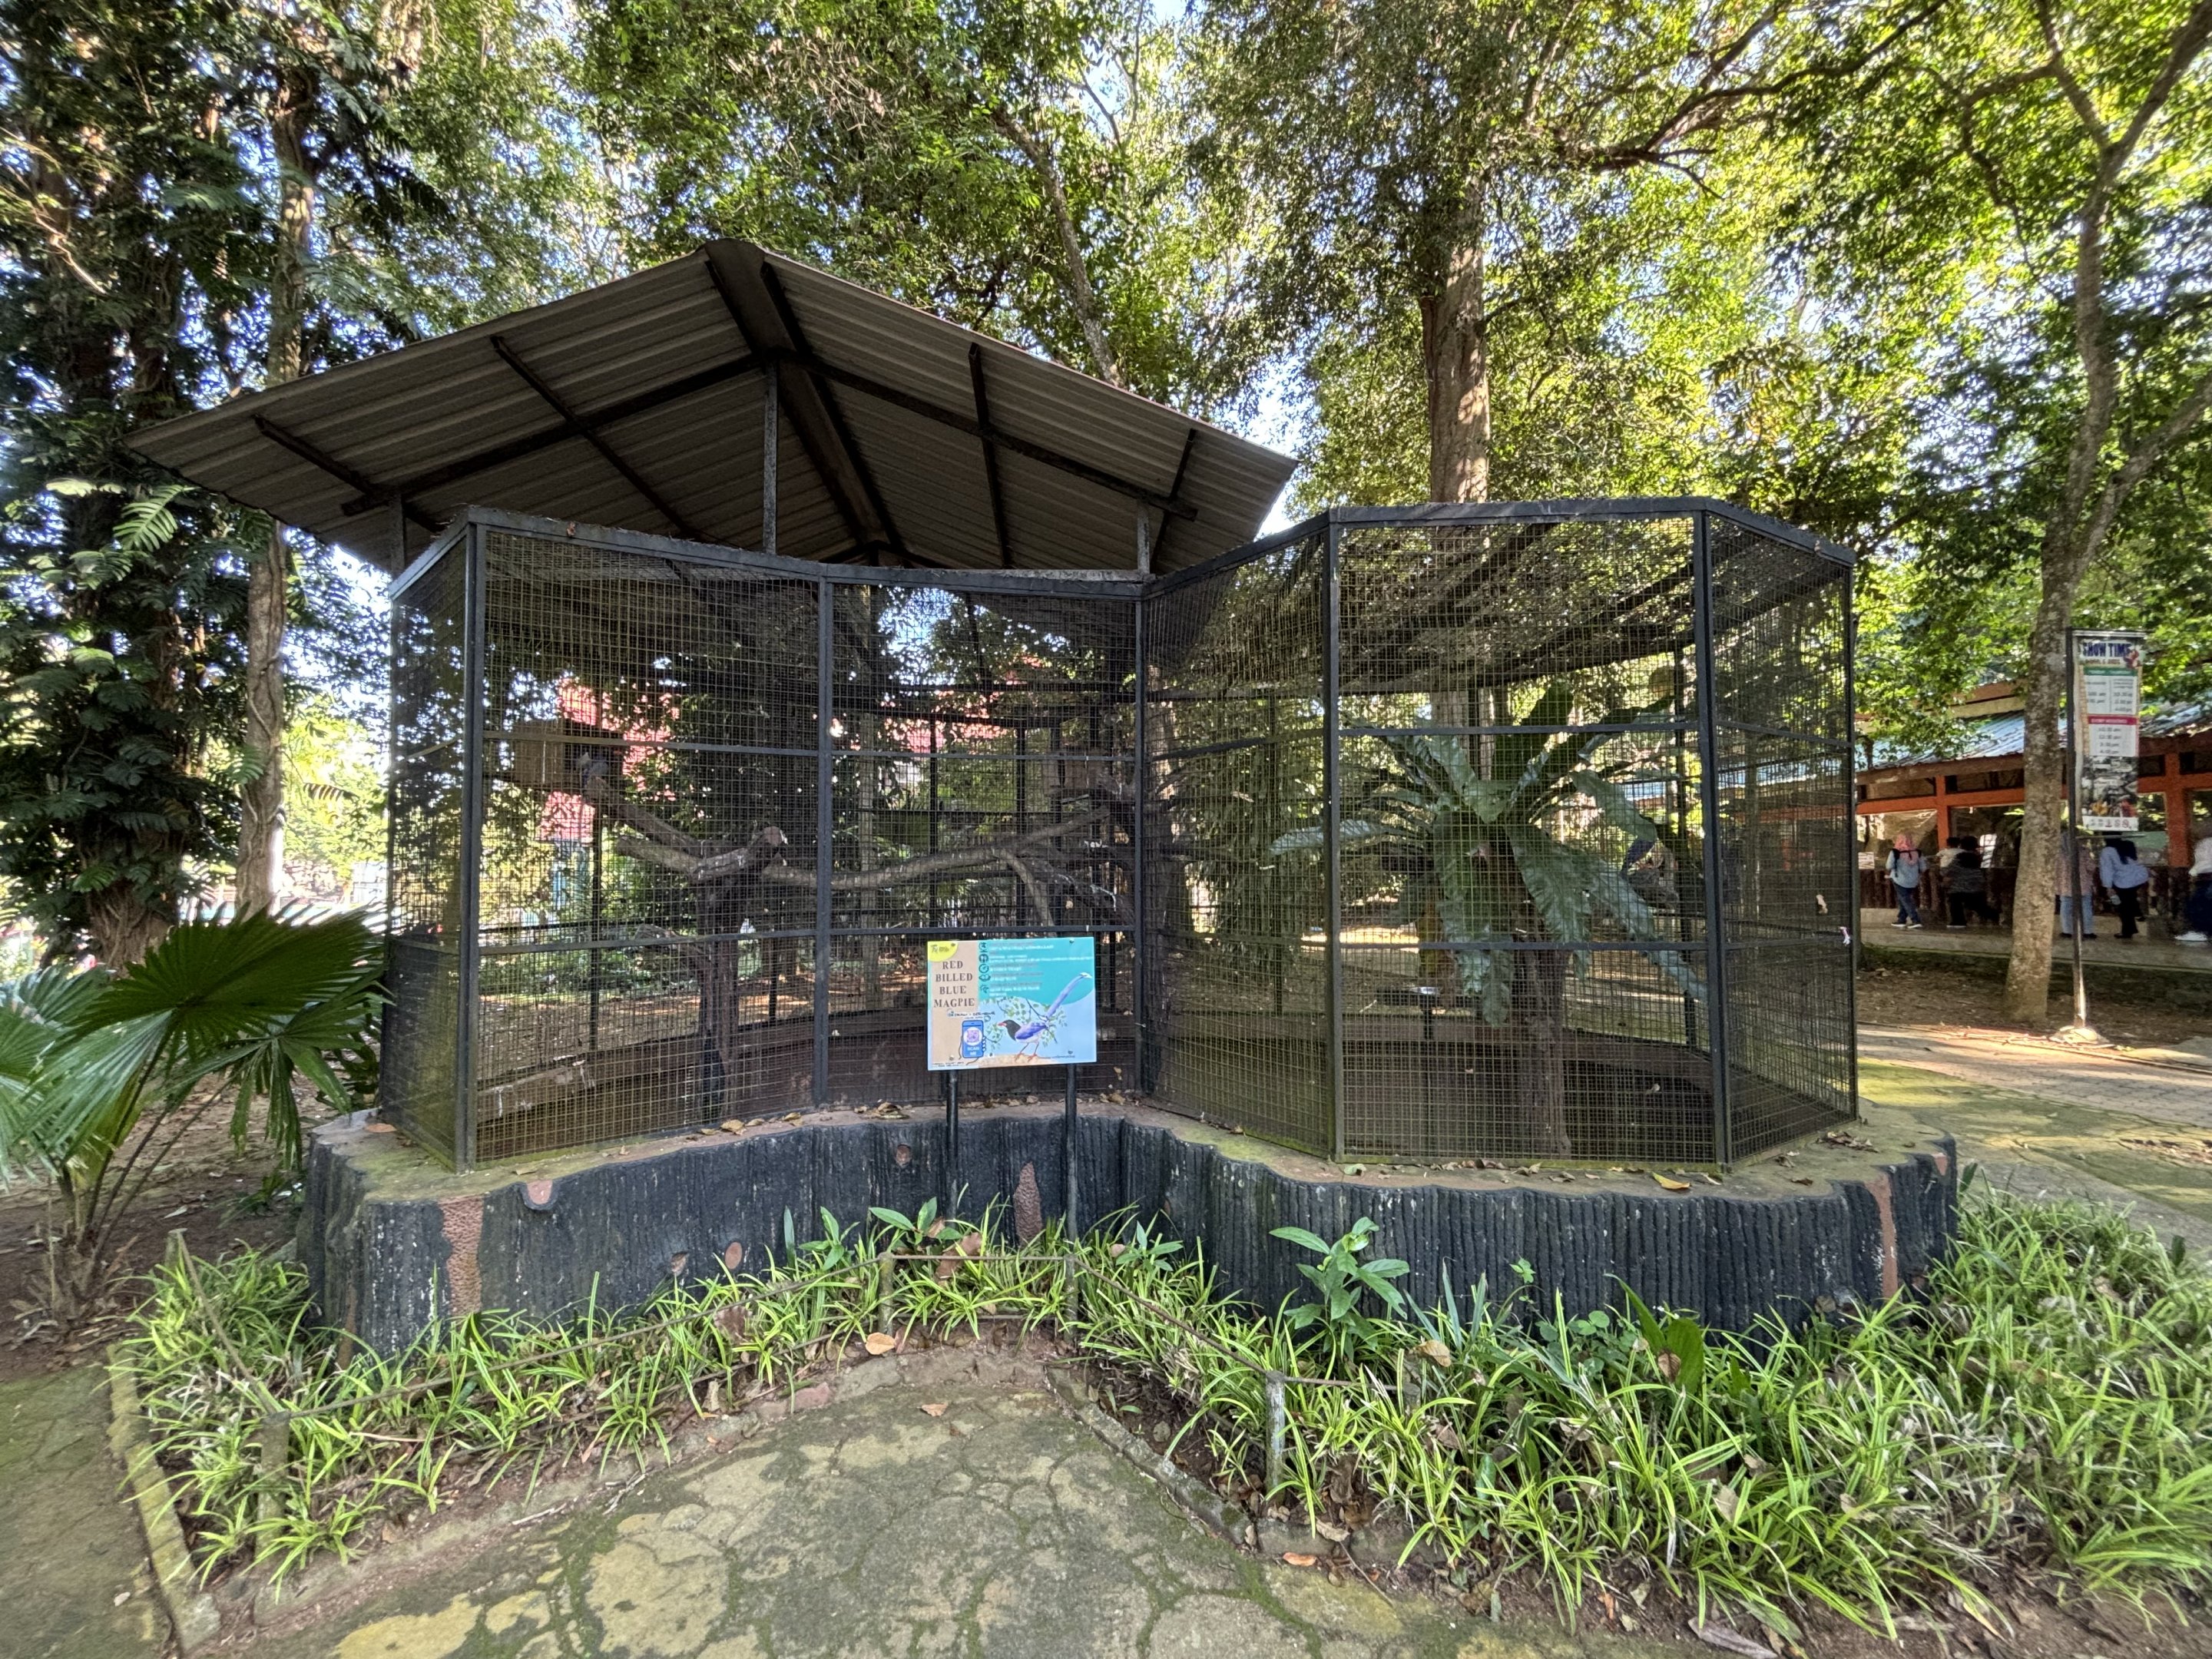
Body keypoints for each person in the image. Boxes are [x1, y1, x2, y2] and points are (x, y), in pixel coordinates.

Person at [2098, 835, 2152, 941]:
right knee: (2130, 900)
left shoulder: (2108, 851)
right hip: (2139, 877)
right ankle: (2136, 916)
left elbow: (2107, 870)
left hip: (2123, 881)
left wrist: (2108, 887)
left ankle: (2128, 930)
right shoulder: (2128, 844)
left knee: (2123, 906)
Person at [2057, 835, 2098, 939]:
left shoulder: (2059, 853)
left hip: (2065, 885)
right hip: (2082, 885)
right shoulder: (2083, 851)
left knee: (2066, 907)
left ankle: (2067, 931)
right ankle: (2088, 932)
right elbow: (2091, 867)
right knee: (2086, 908)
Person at [1945, 841, 1994, 929]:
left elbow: (1952, 869)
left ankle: (1958, 921)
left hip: (1961, 884)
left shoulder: (1960, 857)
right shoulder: (1977, 857)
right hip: (1977, 882)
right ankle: (1995, 916)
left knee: (1955, 902)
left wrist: (1945, 876)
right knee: (1978, 905)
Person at [2181, 820, 2212, 944]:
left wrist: (2192, 872)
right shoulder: (2205, 843)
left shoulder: (2207, 843)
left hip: (2207, 878)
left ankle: (2201, 931)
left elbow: (2205, 863)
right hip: (2206, 878)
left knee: (2199, 905)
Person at [1886, 834, 1925, 929]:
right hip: (1913, 880)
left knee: (1905, 900)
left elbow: (1889, 866)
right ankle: (1901, 919)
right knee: (1903, 899)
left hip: (1899, 879)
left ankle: (1916, 920)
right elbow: (1923, 867)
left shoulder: (1895, 852)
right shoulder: (1917, 852)